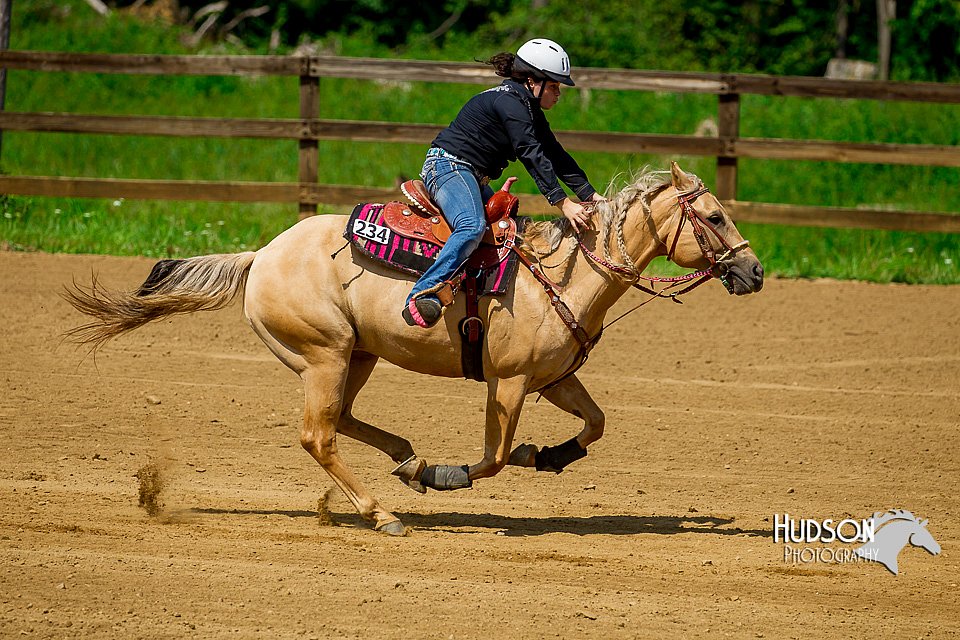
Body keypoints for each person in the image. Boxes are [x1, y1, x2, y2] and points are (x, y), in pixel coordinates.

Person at [402, 38, 606, 328]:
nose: (558, 93)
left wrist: (591, 195)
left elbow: (555, 154)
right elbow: (530, 153)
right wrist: (563, 203)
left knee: (510, 229)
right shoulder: (510, 103)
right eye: (554, 86)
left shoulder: (525, 107)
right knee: (472, 227)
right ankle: (424, 293)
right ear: (533, 81)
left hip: (468, 173)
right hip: (448, 167)